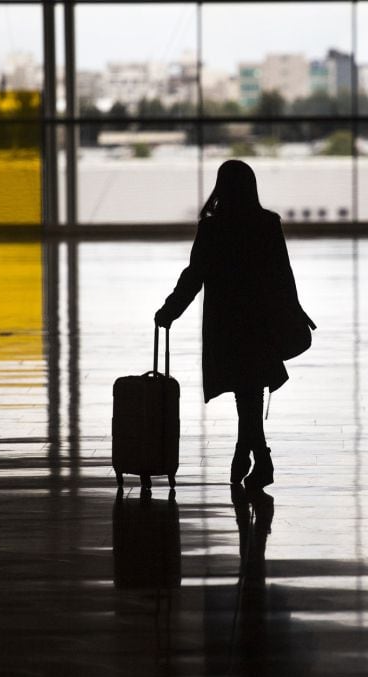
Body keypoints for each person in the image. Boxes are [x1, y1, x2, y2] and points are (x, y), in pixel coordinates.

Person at [154, 159, 313, 490]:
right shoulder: (268, 224)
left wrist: (170, 311)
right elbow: (283, 275)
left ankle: (257, 456)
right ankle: (248, 453)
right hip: (260, 321)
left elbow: (194, 276)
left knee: (246, 390)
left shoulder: (213, 228)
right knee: (250, 389)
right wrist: (293, 312)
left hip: (226, 324)